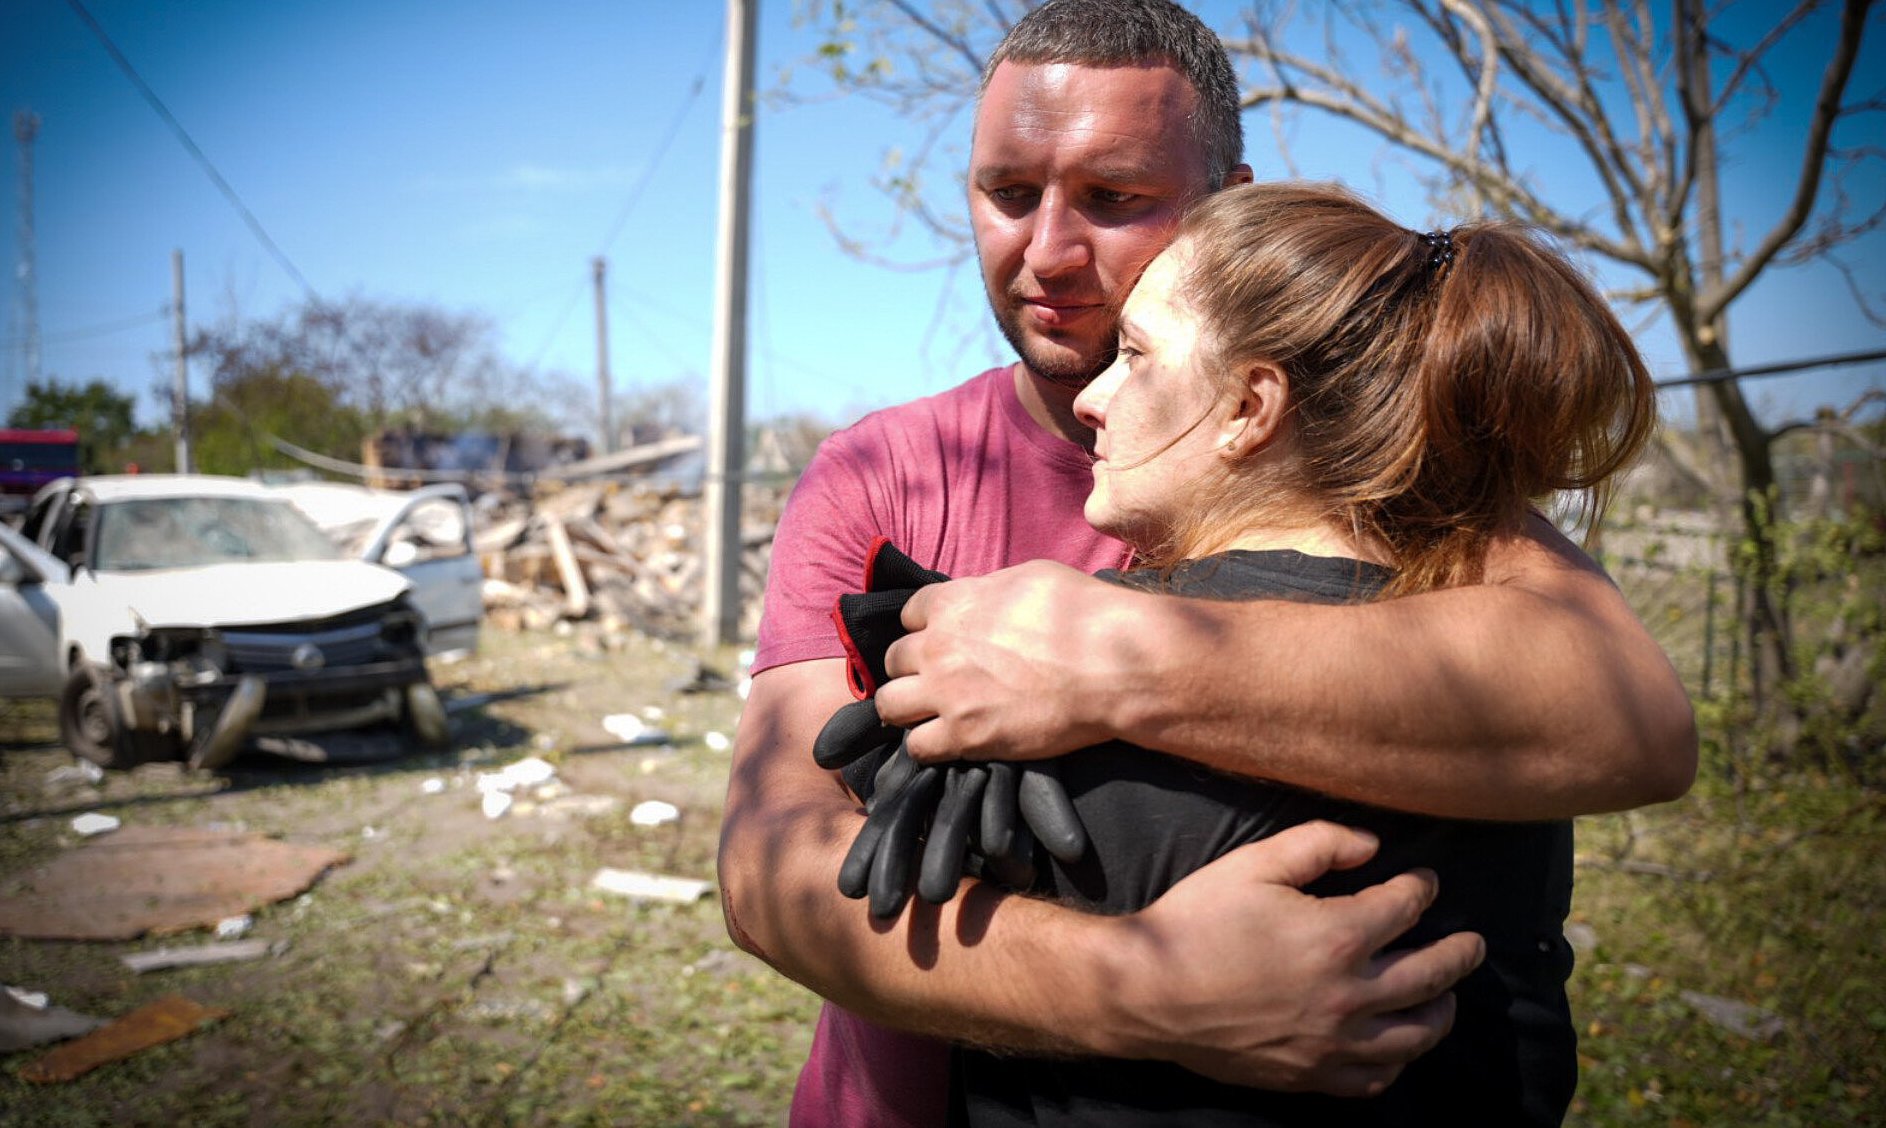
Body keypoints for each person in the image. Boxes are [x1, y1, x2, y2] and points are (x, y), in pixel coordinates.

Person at [716, 2, 1697, 1125]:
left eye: (1113, 197)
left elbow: (1629, 721)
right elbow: (768, 866)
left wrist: (1115, 659)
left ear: (1226, 207)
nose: (1045, 250)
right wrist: (1143, 989)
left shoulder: (1379, 470)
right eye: (1005, 192)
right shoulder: (885, 468)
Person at [886, 179, 1653, 1126]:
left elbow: (819, 900)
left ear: (1251, 407)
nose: (1092, 397)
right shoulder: (1505, 699)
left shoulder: (1015, 680)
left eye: (1135, 354)